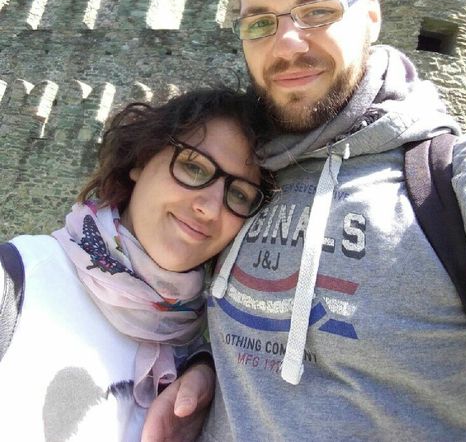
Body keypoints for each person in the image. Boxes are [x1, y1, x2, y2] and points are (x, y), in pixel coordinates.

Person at [143, 0, 466, 442]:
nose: (287, 43)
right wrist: (206, 364)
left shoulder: (456, 182)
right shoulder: (236, 176)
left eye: (317, 11)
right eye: (260, 22)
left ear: (371, 15)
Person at [0, 86, 273, 442]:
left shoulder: (206, 361)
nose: (209, 208)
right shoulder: (18, 279)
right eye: (193, 167)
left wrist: (205, 367)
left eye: (238, 194)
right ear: (141, 161)